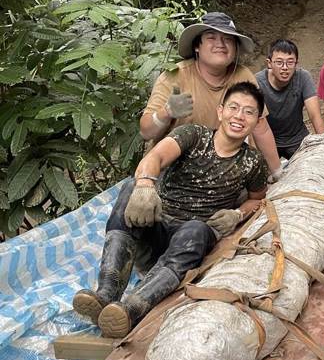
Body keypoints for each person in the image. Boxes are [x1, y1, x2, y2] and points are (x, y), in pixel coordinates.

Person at [73, 82, 268, 339]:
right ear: (220, 112)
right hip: (155, 225)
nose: (239, 116)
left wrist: (237, 214)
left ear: (256, 122)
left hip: (189, 245)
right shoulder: (194, 135)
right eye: (234, 108)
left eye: (249, 112)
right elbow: (155, 157)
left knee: (197, 229)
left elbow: (258, 199)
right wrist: (144, 185)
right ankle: (106, 293)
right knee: (131, 187)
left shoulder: (253, 162)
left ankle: (131, 309)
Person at [140, 12, 283, 178]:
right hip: (175, 171)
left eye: (228, 39)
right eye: (211, 37)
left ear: (235, 48)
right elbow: (146, 132)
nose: (220, 44)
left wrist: (277, 172)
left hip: (227, 172)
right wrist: (167, 112)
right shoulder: (175, 76)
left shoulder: (243, 76)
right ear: (197, 46)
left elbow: (260, 128)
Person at [255, 39, 324, 160]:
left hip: (297, 138)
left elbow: (315, 115)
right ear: (269, 63)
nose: (285, 68)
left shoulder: (303, 77)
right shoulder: (257, 82)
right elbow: (255, 122)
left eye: (290, 62)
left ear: (296, 64)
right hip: (269, 139)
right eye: (279, 62)